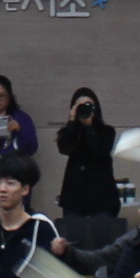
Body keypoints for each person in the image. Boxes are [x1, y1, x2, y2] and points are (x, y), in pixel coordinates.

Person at [54, 88, 121, 228]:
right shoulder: (69, 131)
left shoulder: (107, 131)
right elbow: (65, 148)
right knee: (74, 236)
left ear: (96, 109)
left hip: (102, 196)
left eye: (89, 105)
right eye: (80, 106)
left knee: (102, 236)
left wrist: (89, 126)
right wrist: (71, 122)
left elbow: (99, 151)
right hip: (74, 197)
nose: (85, 109)